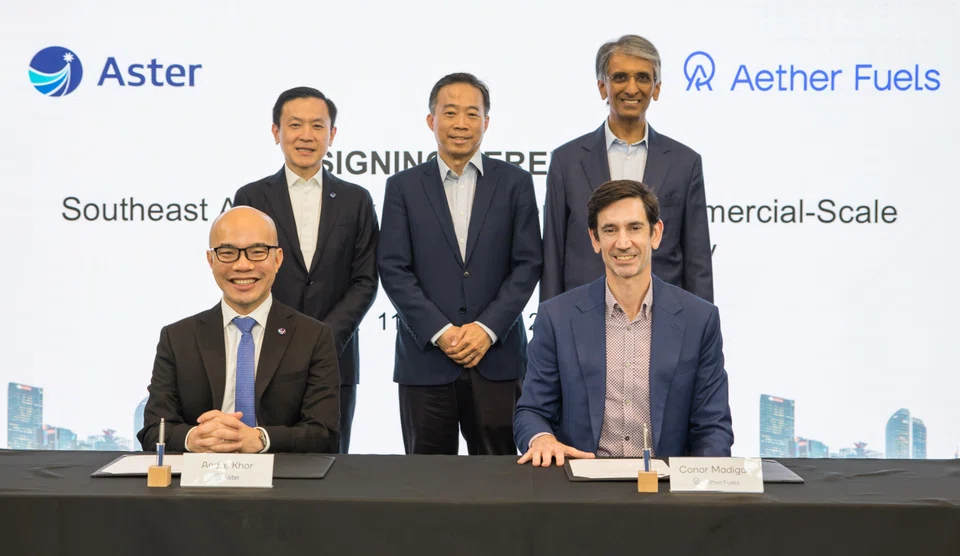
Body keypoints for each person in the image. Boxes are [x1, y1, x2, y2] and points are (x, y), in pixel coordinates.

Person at [378, 73, 542, 455]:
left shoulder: (516, 182)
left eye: (472, 113)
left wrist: (486, 329)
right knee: (426, 485)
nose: (461, 124)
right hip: (426, 360)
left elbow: (528, 263)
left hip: (496, 359)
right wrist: (441, 331)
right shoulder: (402, 186)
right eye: (449, 112)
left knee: (500, 482)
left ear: (487, 121)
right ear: (430, 120)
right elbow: (393, 268)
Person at [515, 180, 732, 466]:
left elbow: (713, 425)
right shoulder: (557, 317)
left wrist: (699, 489)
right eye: (610, 230)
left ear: (656, 234)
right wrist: (542, 438)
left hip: (667, 492)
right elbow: (531, 411)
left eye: (634, 228)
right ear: (595, 239)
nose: (623, 242)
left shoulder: (699, 319)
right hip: (581, 487)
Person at [234, 87, 378, 453]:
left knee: (331, 466)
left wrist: (323, 338)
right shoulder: (251, 197)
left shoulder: (356, 199)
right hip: (267, 353)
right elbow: (244, 274)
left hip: (335, 357)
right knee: (262, 460)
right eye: (295, 124)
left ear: (332, 134)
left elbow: (364, 280)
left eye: (317, 125)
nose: (306, 135)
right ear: (275, 132)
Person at [137, 206, 340, 453]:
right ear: (210, 260)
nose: (242, 265)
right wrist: (194, 438)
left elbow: (324, 433)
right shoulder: (178, 338)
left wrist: (261, 439)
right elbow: (152, 430)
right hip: (199, 481)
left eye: (257, 252)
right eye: (227, 253)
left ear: (278, 259)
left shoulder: (313, 336)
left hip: (283, 483)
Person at [541, 35, 713, 303]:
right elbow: (552, 256)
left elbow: (698, 260)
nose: (632, 88)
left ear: (656, 89)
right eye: (620, 77)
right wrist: (548, 328)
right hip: (582, 316)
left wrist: (702, 334)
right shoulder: (567, 161)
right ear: (602, 87)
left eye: (643, 78)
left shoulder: (684, 162)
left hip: (664, 317)